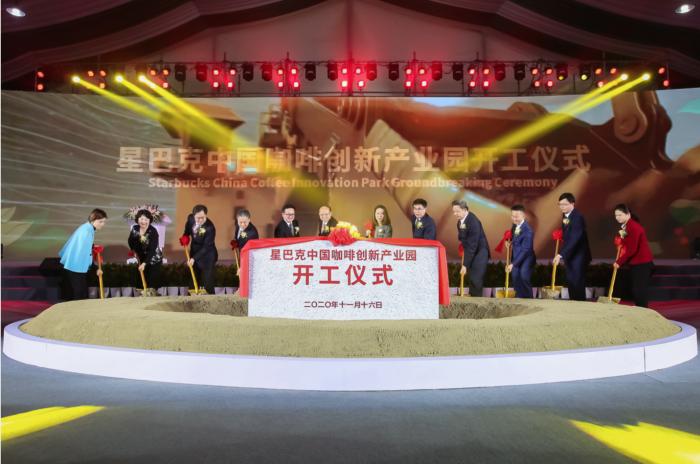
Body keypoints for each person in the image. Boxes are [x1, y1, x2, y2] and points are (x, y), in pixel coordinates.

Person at [59, 208, 107, 300]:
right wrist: (95, 268)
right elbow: (84, 253)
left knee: (80, 293)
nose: (103, 224)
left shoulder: (87, 228)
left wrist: (92, 246)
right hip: (75, 266)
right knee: (79, 294)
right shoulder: (86, 231)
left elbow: (84, 247)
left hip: (74, 265)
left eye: (104, 222)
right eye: (100, 222)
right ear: (93, 220)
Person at [553, 193, 592, 301]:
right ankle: (574, 305)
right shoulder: (566, 216)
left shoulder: (577, 217)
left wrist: (560, 254)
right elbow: (569, 235)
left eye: (565, 204)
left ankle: (580, 305)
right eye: (560, 204)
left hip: (579, 255)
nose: (562, 207)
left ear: (572, 203)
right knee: (571, 282)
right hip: (571, 255)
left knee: (577, 282)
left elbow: (574, 238)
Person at [613, 204, 654, 307]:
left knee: (639, 289)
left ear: (628, 214)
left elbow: (632, 249)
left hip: (642, 263)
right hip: (637, 262)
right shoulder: (627, 226)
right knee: (637, 288)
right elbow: (626, 242)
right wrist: (620, 240)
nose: (617, 217)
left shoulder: (633, 227)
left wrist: (619, 262)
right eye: (616, 215)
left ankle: (642, 310)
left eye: (620, 215)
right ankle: (640, 308)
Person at [452, 200, 490, 297]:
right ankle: (473, 299)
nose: (455, 214)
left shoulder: (473, 222)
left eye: (457, 211)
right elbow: (462, 237)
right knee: (472, 278)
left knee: (476, 279)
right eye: (454, 211)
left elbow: (472, 245)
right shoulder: (460, 222)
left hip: (480, 252)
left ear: (465, 209)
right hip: (471, 251)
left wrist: (465, 265)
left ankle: (477, 302)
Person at [182, 204, 217, 294]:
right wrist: (185, 237)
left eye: (203, 217)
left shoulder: (210, 228)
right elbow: (187, 231)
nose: (201, 220)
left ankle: (209, 299)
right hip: (194, 252)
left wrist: (194, 258)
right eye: (198, 218)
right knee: (193, 279)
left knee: (207, 282)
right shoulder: (190, 219)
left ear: (206, 215)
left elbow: (206, 247)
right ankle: (192, 298)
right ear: (194, 216)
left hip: (207, 256)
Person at [506, 205, 536, 298]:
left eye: (516, 216)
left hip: (527, 258)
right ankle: (519, 299)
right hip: (516, 256)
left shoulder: (528, 230)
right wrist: (509, 242)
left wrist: (513, 264)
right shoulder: (514, 225)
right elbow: (514, 238)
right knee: (515, 277)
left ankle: (529, 300)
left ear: (523, 216)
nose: (514, 218)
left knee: (524, 276)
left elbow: (525, 250)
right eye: (512, 216)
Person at [128, 209, 163, 290]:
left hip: (154, 259)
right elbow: (130, 241)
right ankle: (142, 296)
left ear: (149, 220)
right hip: (142, 257)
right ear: (137, 219)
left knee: (151, 283)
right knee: (141, 281)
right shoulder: (135, 228)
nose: (143, 221)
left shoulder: (153, 231)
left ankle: (152, 294)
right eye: (141, 219)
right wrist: (133, 250)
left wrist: (144, 263)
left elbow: (152, 249)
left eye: (146, 219)